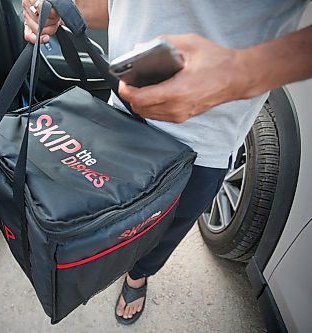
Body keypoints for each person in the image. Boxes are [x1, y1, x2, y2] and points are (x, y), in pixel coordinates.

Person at [22, 0, 312, 325]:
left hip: (203, 140)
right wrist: (65, 9)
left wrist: (239, 73)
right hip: (119, 115)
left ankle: (138, 276)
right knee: (109, 217)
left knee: (165, 232)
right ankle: (108, 264)